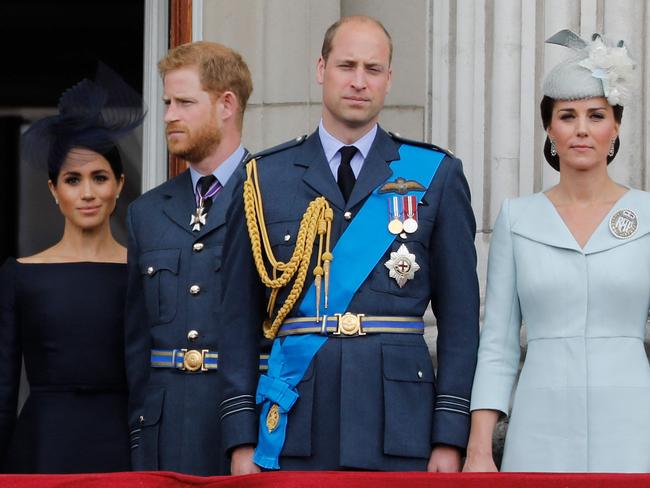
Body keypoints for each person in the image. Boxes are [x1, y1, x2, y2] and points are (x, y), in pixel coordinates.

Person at [219, 16, 479, 474]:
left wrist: (449, 436)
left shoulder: (435, 174)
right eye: (347, 66)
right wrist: (241, 439)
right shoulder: (264, 178)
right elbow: (237, 321)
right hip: (294, 426)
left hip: (401, 427)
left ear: (389, 79)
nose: (359, 82)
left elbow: (460, 322)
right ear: (321, 69)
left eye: (373, 69)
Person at [464, 30, 649, 472]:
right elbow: (498, 343)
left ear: (616, 125)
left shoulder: (647, 215)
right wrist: (478, 447)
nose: (582, 129)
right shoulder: (517, 218)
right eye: (567, 116)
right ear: (549, 127)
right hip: (539, 426)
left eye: (596, 115)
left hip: (633, 423)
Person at [0, 65, 144, 473]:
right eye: (72, 179)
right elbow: (3, 388)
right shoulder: (19, 275)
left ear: (118, 184)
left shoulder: (141, 272)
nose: (87, 193)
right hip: (41, 449)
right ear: (54, 190)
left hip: (123, 448)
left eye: (99, 177)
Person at [124, 41, 259, 476]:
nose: (168, 116)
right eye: (167, 102)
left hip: (247, 427)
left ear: (226, 104)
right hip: (164, 432)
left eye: (184, 102)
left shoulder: (274, 196)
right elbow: (137, 341)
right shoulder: (146, 212)